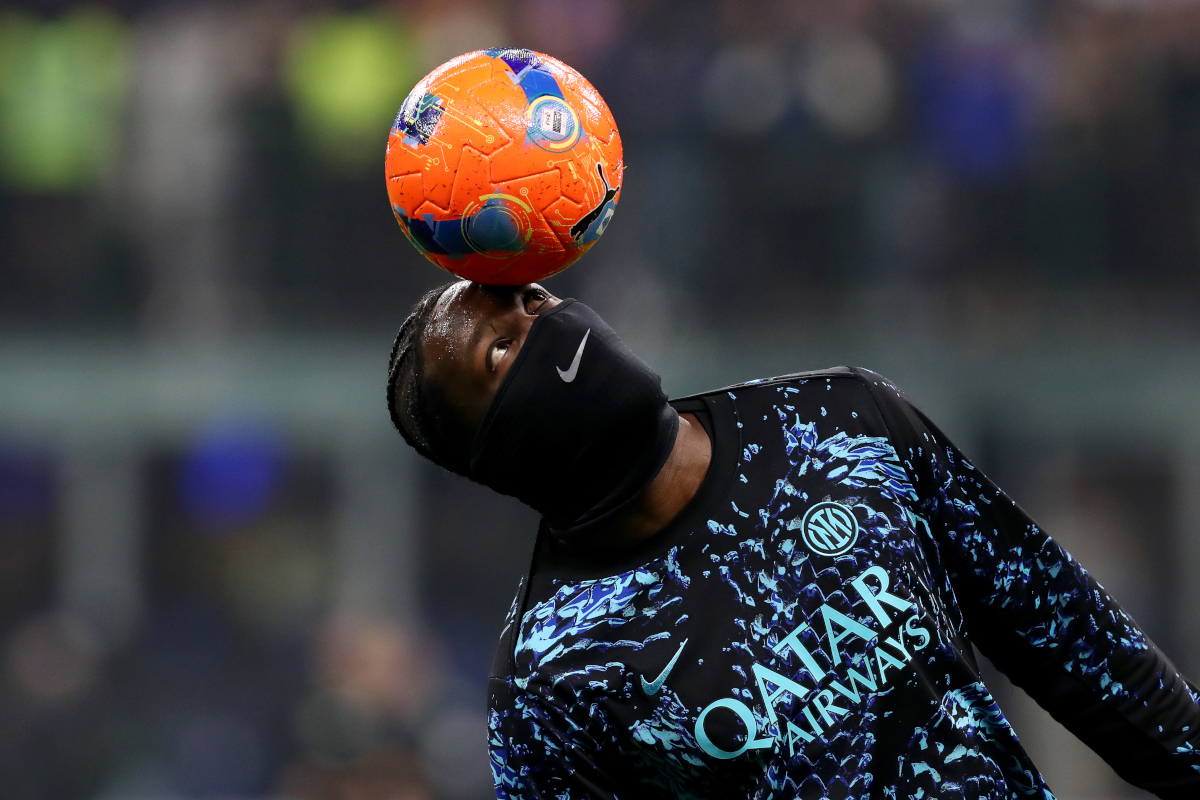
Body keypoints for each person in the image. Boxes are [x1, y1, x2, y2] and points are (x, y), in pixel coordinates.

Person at [386, 280, 1200, 799]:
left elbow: (1078, 644)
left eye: (534, 301)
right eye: (501, 350)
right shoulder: (549, 679)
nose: (544, 324)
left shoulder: (840, 418)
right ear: (497, 453)